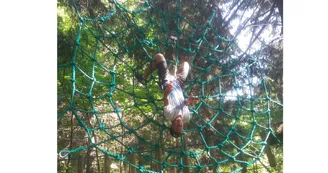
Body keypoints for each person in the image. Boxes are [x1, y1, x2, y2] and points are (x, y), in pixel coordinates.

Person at [136, 53, 198, 137]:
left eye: (177, 125)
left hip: (167, 82)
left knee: (159, 57)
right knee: (186, 65)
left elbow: (165, 99)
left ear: (172, 125)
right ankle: (174, 73)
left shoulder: (169, 115)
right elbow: (185, 103)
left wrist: (167, 91)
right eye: (181, 126)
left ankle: (144, 78)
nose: (180, 123)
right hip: (179, 84)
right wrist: (189, 100)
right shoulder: (186, 117)